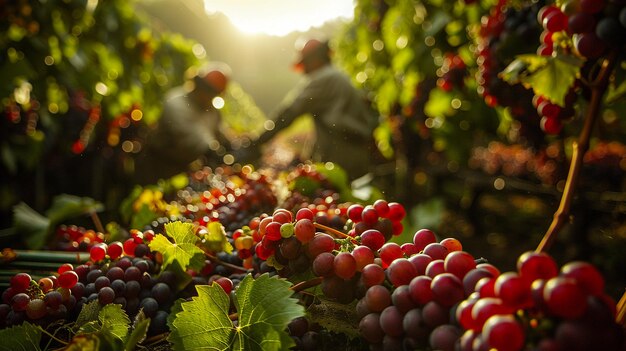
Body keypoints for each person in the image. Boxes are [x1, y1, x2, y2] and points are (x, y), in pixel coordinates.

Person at [247, 39, 378, 181]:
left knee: (337, 195)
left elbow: (289, 113)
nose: (304, 70)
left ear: (314, 59)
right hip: (355, 152)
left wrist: (257, 142)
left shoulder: (324, 79)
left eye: (305, 64)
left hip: (341, 154)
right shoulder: (337, 76)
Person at [135, 63, 232, 184]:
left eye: (212, 93)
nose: (207, 96)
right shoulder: (177, 102)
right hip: (155, 168)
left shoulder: (212, 112)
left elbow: (221, 135)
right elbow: (192, 138)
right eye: (206, 90)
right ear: (197, 84)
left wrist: (231, 146)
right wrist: (214, 152)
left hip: (180, 172)